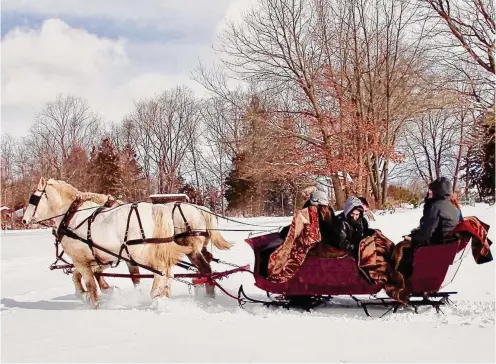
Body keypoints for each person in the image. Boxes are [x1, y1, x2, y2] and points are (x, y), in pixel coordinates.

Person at [410, 177, 460, 247]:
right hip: (450, 243)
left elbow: (426, 233)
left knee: (404, 248)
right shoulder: (453, 207)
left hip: (439, 245)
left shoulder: (435, 207)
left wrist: (414, 237)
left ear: (437, 191)